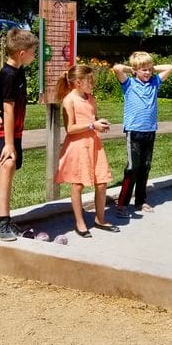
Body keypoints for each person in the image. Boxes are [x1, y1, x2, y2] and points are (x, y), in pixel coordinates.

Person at [0, 27, 38, 242]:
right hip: (1, 129)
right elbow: (7, 109)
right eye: (34, 52)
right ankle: (3, 221)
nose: (35, 56)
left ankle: (2, 219)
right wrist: (9, 144)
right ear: (22, 53)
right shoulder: (9, 74)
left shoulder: (17, 70)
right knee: (7, 162)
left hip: (13, 130)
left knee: (9, 167)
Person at [54, 64, 117, 238]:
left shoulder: (90, 98)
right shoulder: (69, 100)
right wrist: (91, 125)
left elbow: (93, 118)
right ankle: (80, 222)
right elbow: (70, 128)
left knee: (102, 181)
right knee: (78, 184)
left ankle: (100, 219)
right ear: (78, 82)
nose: (93, 83)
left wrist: (99, 123)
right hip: (78, 147)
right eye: (90, 81)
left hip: (94, 144)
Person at [111, 52, 172, 218]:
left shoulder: (154, 82)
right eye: (143, 70)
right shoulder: (128, 83)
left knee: (145, 167)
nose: (147, 73)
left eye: (149, 70)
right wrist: (133, 69)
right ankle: (122, 204)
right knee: (132, 168)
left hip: (150, 130)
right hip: (134, 131)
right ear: (135, 70)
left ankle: (140, 200)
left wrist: (151, 67)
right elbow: (117, 68)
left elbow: (169, 67)